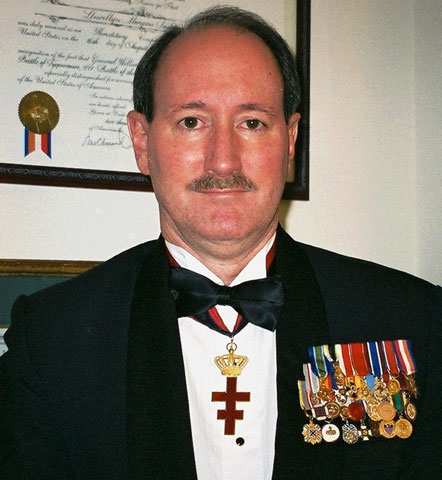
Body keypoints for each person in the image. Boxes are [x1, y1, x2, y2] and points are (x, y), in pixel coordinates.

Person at [1, 6, 440, 480]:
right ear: (142, 142)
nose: (224, 161)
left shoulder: (414, 320)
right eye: (192, 121)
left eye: (252, 122)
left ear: (290, 141)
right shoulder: (49, 341)